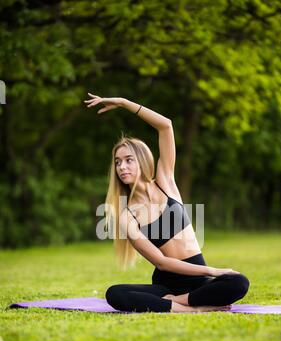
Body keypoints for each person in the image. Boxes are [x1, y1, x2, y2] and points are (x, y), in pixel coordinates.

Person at [84, 93, 250, 313]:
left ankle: (179, 301)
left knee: (239, 282)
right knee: (115, 293)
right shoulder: (127, 216)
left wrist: (124, 103)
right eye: (118, 162)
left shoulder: (165, 182)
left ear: (142, 160)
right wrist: (214, 270)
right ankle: (192, 307)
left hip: (198, 280)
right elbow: (161, 262)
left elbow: (165, 127)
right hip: (165, 285)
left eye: (128, 160)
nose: (122, 167)